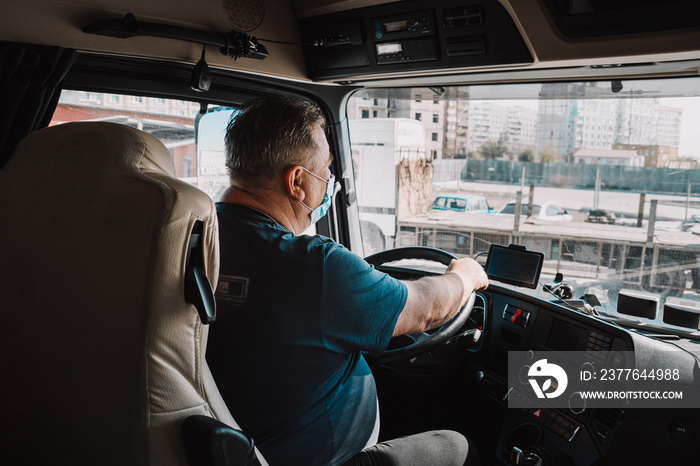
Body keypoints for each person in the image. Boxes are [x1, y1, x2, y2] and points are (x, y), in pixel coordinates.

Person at [207, 95, 489, 466]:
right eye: (325, 170)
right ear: (297, 181)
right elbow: (426, 310)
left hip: (232, 443)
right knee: (459, 448)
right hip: (314, 458)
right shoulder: (313, 267)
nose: (330, 181)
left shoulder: (191, 239)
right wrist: (464, 275)